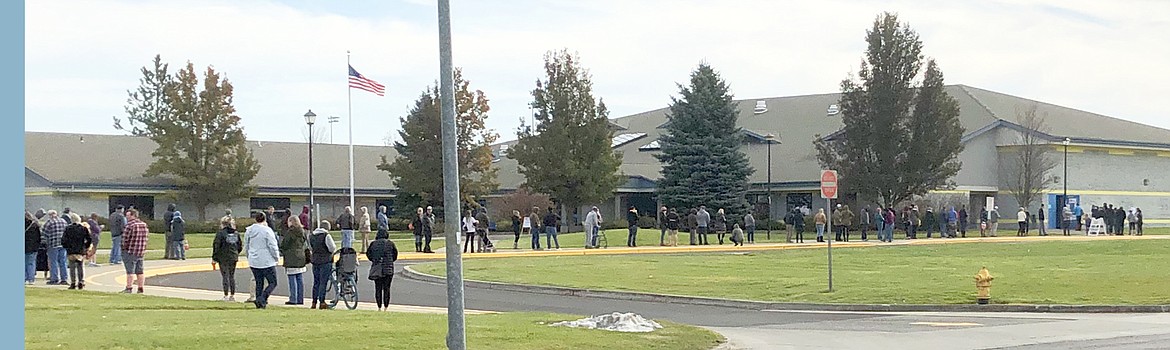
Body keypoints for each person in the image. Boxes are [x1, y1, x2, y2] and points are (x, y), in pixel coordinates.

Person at [245, 212, 280, 309]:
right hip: (267, 261)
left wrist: (249, 257)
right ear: (265, 219)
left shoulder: (249, 230)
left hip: (254, 260)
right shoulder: (267, 231)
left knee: (259, 282)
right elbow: (272, 246)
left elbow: (246, 245)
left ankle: (259, 301)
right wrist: (276, 257)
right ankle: (262, 298)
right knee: (273, 282)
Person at [366, 228, 398, 311]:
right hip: (388, 268)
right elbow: (395, 255)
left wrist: (374, 260)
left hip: (377, 268)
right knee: (387, 288)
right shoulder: (390, 244)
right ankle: (386, 307)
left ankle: (379, 306)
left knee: (378, 288)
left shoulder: (373, 244)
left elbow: (369, 254)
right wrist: (390, 261)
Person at [212, 216, 242, 302]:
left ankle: (225, 295)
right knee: (232, 276)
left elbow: (216, 246)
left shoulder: (220, 233)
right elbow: (239, 245)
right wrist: (236, 253)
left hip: (223, 257)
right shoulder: (236, 233)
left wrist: (214, 257)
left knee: (225, 276)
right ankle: (232, 295)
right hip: (233, 256)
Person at [280, 215, 307, 306]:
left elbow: (285, 244)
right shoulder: (302, 231)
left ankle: (293, 298)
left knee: (292, 278)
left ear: (291, 222)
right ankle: (300, 298)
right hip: (301, 256)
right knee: (299, 278)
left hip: (291, 257)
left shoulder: (290, 232)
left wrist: (282, 250)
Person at [309, 220, 337, 310]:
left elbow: (310, 247)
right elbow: (332, 248)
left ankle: (314, 302)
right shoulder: (326, 236)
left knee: (316, 282)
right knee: (323, 282)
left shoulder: (312, 236)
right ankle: (322, 301)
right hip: (325, 261)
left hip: (315, 260)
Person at [121, 208, 149, 293]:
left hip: (130, 251)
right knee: (140, 271)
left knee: (130, 271)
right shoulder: (144, 225)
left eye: (128, 216)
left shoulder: (129, 225)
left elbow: (124, 239)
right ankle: (140, 288)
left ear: (133, 215)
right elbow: (146, 238)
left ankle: (129, 287)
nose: (127, 217)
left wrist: (123, 248)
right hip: (140, 251)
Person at [62, 213, 92, 290]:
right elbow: (89, 239)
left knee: (72, 267)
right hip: (80, 249)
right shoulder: (83, 228)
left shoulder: (68, 228)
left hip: (71, 250)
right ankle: (81, 281)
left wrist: (66, 247)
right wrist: (86, 247)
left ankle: (73, 282)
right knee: (80, 266)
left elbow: (63, 240)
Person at [41, 210, 68, 285]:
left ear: (50, 215)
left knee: (53, 262)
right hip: (63, 245)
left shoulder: (49, 222)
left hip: (53, 245)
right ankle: (64, 279)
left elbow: (44, 234)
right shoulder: (63, 221)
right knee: (63, 262)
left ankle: (54, 279)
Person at [25, 212, 42, 285]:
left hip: (24, 245)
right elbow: (39, 237)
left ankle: (24, 278)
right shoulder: (35, 225)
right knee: (31, 263)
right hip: (33, 247)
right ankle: (31, 279)